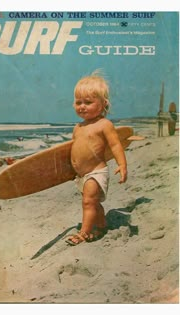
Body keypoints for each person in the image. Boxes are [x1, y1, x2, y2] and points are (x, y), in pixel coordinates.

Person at [66, 71, 127, 246]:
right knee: (93, 202)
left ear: (103, 104)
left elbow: (116, 145)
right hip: (81, 175)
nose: (82, 106)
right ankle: (101, 226)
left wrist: (122, 164)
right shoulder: (78, 127)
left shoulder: (104, 125)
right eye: (78, 102)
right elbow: (72, 150)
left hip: (96, 172)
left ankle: (84, 233)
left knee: (88, 202)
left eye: (88, 102)